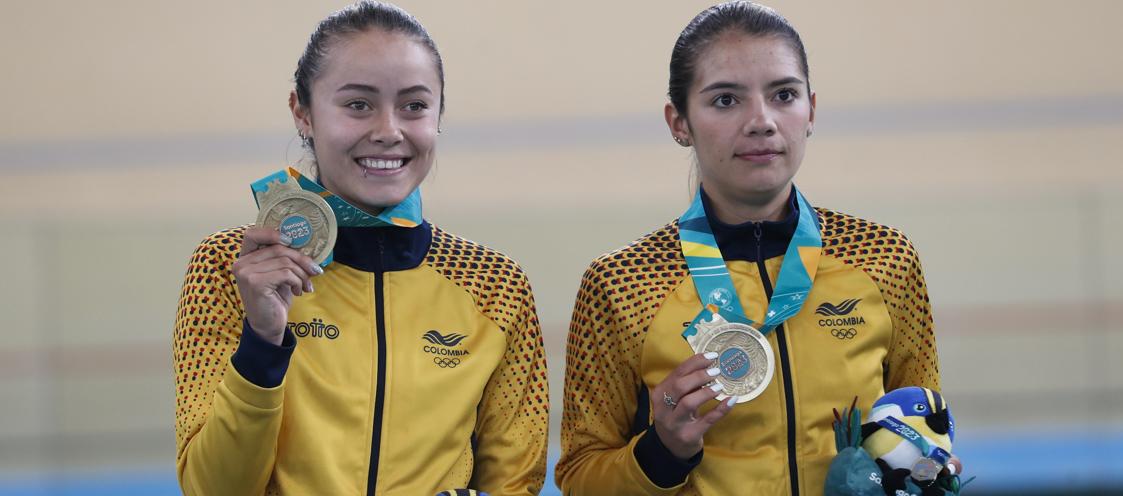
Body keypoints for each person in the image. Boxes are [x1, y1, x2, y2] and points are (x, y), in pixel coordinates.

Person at [555, 2, 941, 494]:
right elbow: (577, 477)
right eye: (725, 100)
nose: (761, 121)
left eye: (783, 94)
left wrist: (926, 472)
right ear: (679, 121)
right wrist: (661, 452)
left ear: (811, 111)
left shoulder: (884, 257)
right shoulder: (622, 283)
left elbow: (929, 430)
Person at [172, 3, 548, 495]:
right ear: (302, 112)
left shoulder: (495, 284)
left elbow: (515, 484)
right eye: (358, 105)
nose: (389, 130)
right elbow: (211, 489)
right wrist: (262, 342)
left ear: (438, 117)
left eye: (414, 105)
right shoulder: (230, 268)